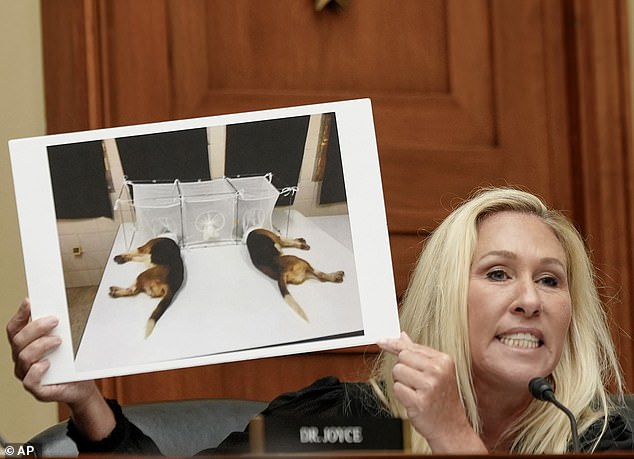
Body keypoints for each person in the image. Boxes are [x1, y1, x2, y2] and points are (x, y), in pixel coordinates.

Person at [7, 187, 634, 454]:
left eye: (550, 280)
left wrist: (455, 440)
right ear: (446, 297)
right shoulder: (341, 421)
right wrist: (88, 402)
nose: (530, 299)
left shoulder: (611, 436)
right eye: (498, 273)